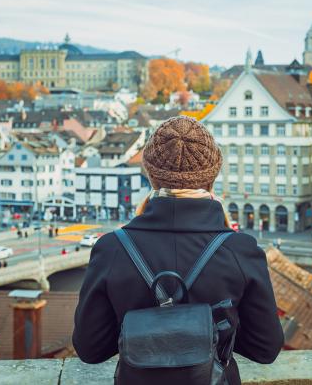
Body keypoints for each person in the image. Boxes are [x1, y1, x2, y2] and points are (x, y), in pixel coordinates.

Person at [73, 116, 283, 384]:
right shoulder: (240, 250)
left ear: (150, 175)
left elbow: (90, 349)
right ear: (212, 177)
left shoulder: (111, 248)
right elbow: (265, 349)